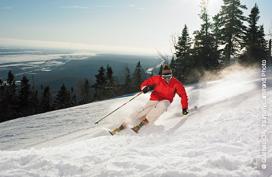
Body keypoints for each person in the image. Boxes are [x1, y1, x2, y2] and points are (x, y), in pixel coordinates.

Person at [109, 64, 188, 135]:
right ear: (162, 75)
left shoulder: (176, 83)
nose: (167, 79)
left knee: (163, 105)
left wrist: (184, 108)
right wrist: (145, 88)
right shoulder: (157, 79)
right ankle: (122, 126)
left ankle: (141, 125)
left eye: (169, 76)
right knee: (142, 112)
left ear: (171, 75)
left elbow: (183, 95)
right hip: (154, 99)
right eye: (165, 76)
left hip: (166, 100)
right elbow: (145, 83)